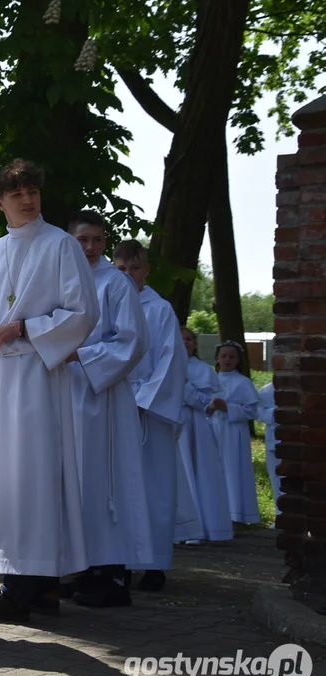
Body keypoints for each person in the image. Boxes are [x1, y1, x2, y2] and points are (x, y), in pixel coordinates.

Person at [0, 159, 99, 623]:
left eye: (32, 191)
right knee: (9, 480)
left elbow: (83, 312)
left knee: (37, 477)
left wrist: (23, 327)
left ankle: (29, 584)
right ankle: (31, 588)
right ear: (1, 202)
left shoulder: (61, 245)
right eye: (17, 193)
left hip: (39, 376)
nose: (27, 199)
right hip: (1, 377)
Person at [63, 212, 151, 607]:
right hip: (66, 393)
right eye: (82, 239)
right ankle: (84, 566)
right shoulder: (62, 280)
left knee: (104, 482)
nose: (90, 248)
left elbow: (132, 341)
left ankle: (112, 573)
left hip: (103, 397)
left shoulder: (116, 284)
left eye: (97, 240)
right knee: (76, 480)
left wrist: (81, 356)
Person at [113, 239, 188, 592]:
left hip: (150, 409)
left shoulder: (159, 310)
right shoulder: (110, 304)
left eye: (135, 268)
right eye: (121, 269)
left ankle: (155, 563)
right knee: (119, 488)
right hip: (115, 402)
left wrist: (143, 400)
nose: (128, 276)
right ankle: (120, 562)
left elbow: (171, 361)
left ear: (147, 270)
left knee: (154, 485)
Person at [178, 327, 233, 541]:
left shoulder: (203, 370)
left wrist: (185, 387)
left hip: (195, 426)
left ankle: (201, 525)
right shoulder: (163, 364)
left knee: (197, 470)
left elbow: (208, 404)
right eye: (180, 338)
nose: (185, 342)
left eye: (189, 339)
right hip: (172, 421)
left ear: (195, 343)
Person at [209, 341, 260, 525]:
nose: (227, 360)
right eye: (223, 356)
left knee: (233, 469)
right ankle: (215, 509)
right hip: (213, 429)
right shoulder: (209, 379)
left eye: (232, 356)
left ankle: (236, 512)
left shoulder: (243, 382)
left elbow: (253, 410)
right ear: (217, 358)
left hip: (233, 432)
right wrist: (209, 408)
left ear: (239, 360)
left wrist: (228, 408)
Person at [258, 381, 280, 523]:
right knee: (276, 479)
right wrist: (275, 413)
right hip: (273, 441)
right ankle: (280, 514)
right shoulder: (266, 391)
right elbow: (257, 412)